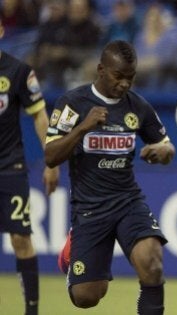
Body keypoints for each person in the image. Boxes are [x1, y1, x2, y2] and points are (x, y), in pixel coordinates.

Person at [45, 40, 175, 314]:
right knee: (87, 297)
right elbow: (51, 155)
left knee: (151, 262)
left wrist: (160, 152)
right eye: (119, 76)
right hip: (90, 208)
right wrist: (83, 128)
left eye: (131, 77)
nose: (125, 84)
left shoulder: (138, 107)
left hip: (128, 201)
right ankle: (72, 252)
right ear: (101, 69)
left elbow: (167, 147)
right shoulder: (72, 103)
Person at [0, 19, 59, 315]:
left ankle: (32, 310)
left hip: (10, 165)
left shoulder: (19, 72)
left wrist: (51, 160)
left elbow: (39, 116)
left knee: (21, 238)